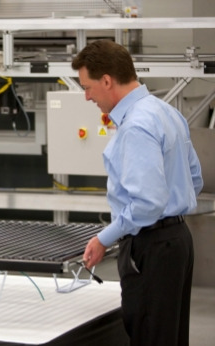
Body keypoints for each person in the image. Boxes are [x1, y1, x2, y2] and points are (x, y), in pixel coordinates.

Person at [72, 40, 203, 345]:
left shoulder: (135, 126)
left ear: (107, 81)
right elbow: (194, 178)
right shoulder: (166, 112)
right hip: (178, 242)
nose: (87, 96)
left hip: (151, 247)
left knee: (149, 336)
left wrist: (103, 238)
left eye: (88, 87)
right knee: (169, 337)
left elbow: (147, 203)